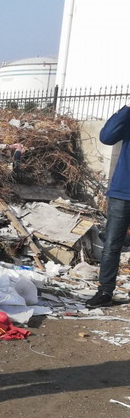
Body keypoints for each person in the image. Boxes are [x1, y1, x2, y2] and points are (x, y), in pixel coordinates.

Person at [86, 104, 130, 308]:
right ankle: (104, 292)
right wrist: (127, 108)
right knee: (112, 245)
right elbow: (106, 136)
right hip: (123, 191)